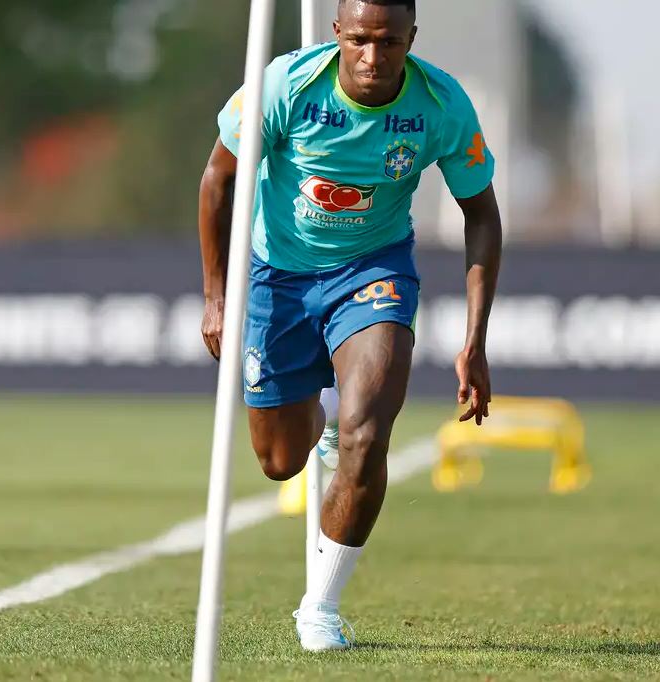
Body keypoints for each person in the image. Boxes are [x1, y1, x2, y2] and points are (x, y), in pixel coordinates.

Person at [198, 0, 502, 651]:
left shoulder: (442, 105)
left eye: (389, 42)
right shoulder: (284, 85)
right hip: (277, 274)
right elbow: (218, 180)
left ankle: (320, 607)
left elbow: (481, 214)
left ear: (410, 39)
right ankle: (327, 417)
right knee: (279, 463)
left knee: (369, 434)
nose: (372, 56)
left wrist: (475, 341)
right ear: (337, 33)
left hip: (373, 271)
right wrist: (217, 296)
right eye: (360, 39)